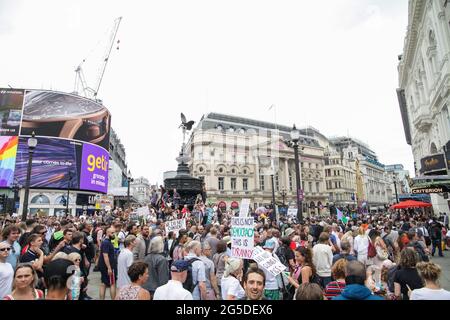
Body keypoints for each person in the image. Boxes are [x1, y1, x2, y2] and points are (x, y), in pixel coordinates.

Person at [98, 227, 117, 300]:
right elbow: (105, 255)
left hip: (106, 266)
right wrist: (109, 267)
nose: (114, 234)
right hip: (108, 267)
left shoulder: (106, 242)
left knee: (104, 284)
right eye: (112, 233)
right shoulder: (106, 242)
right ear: (107, 233)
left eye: (114, 233)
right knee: (112, 284)